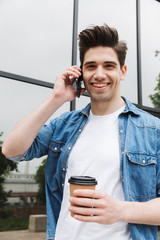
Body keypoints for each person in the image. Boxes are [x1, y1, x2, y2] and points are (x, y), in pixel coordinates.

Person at [2, 24, 160, 240]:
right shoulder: (64, 126)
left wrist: (120, 211)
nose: (99, 74)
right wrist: (57, 98)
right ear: (81, 73)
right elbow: (11, 150)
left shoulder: (153, 130)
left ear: (122, 72)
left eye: (109, 66)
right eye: (91, 66)